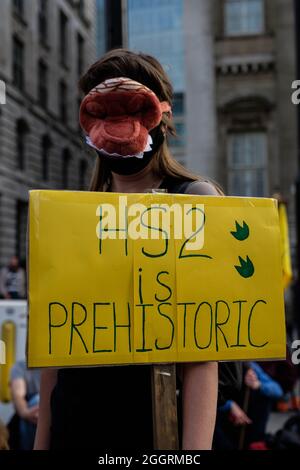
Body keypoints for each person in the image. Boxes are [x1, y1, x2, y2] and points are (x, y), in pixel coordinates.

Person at [34, 49, 220, 450]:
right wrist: (41, 441)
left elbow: (203, 351)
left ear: (162, 117)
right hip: (75, 425)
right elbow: (53, 342)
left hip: (152, 429)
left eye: (133, 109)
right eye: (103, 112)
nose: (118, 126)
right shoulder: (70, 217)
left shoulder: (193, 198)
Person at [10, 360, 40, 450]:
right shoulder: (20, 367)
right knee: (36, 401)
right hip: (31, 413)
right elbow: (18, 395)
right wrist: (26, 413)